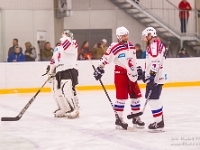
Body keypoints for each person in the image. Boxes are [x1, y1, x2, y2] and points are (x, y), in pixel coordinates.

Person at [93, 26, 144, 129]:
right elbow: (106, 58)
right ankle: (119, 119)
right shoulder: (114, 47)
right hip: (120, 73)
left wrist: (138, 68)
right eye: (123, 36)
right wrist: (100, 68)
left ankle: (136, 117)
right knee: (121, 98)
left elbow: (134, 60)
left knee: (136, 96)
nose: (126, 37)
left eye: (126, 35)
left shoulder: (131, 46)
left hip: (132, 73)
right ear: (119, 37)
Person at [48, 30, 79, 119]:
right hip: (59, 71)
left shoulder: (73, 43)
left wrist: (65, 38)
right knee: (56, 93)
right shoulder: (58, 47)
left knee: (68, 92)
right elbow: (53, 60)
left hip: (69, 69)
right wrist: (50, 72)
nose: (64, 36)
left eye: (67, 35)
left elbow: (68, 48)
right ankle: (64, 108)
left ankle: (75, 109)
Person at [141, 27, 166, 132]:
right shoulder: (155, 45)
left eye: (145, 37)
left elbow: (155, 62)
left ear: (150, 35)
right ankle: (160, 120)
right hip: (156, 77)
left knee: (153, 99)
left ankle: (159, 122)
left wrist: (151, 77)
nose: (144, 39)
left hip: (155, 78)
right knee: (155, 99)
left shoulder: (154, 46)